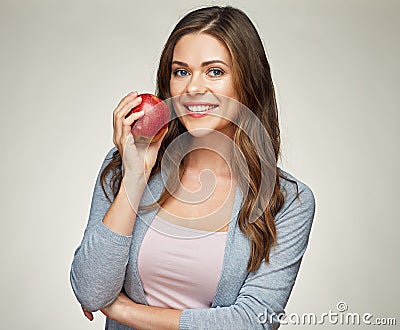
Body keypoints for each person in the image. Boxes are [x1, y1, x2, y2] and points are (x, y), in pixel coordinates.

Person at [70, 5, 315, 330]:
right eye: (181, 72)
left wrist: (125, 312)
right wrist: (135, 177)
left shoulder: (287, 201)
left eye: (215, 71)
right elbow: (91, 290)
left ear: (248, 82)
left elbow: (251, 323)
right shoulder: (123, 166)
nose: (193, 89)